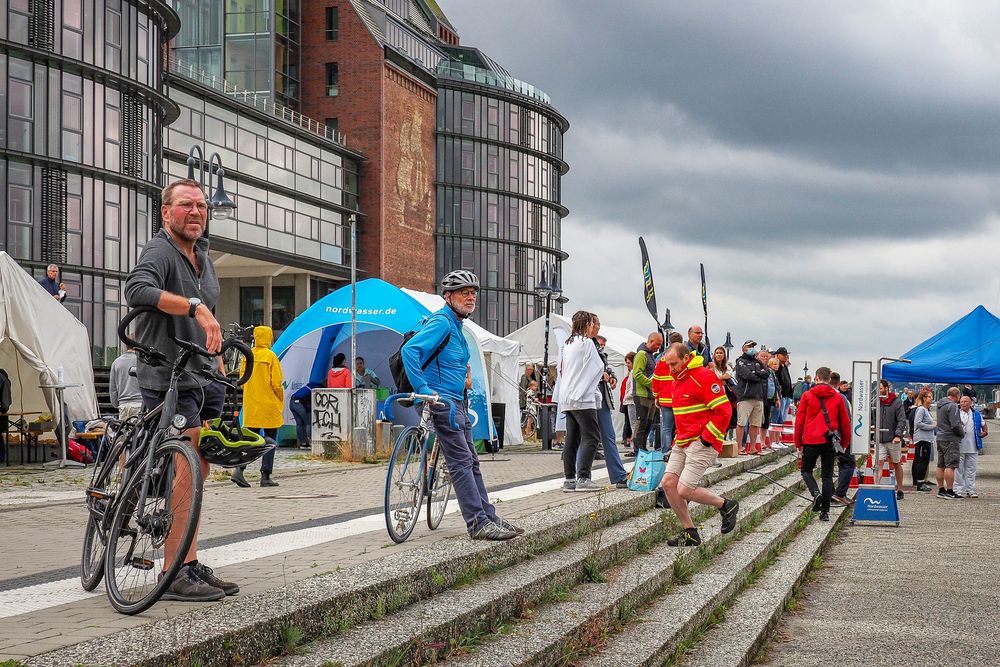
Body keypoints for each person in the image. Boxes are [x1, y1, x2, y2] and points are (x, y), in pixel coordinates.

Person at [124, 178, 236, 602]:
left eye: (202, 206)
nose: (196, 212)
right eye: (186, 204)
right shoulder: (160, 250)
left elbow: (209, 316)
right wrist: (193, 307)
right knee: (186, 464)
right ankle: (172, 573)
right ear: (166, 212)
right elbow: (137, 290)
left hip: (203, 373)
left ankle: (187, 559)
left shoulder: (202, 256)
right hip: (167, 372)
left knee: (201, 465)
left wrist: (219, 352)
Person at [401, 269, 521, 540]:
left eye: (473, 293)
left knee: (472, 462)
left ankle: (488, 515)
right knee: (461, 461)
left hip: (457, 400)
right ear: (448, 296)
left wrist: (465, 378)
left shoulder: (457, 326)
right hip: (440, 401)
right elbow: (411, 351)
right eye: (464, 293)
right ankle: (477, 523)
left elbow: (456, 361)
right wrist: (424, 389)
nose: (471, 298)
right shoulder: (442, 322)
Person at [658, 343, 737, 546]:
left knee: (684, 489)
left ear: (686, 358)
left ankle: (726, 505)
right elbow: (683, 415)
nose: (671, 369)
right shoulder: (677, 379)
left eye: (674, 364)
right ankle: (689, 532)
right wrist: (677, 439)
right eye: (668, 365)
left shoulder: (704, 376)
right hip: (683, 440)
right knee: (668, 484)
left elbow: (724, 411)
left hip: (702, 440)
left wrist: (707, 438)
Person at [556, 311, 606, 492]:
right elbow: (597, 367)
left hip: (567, 396)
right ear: (587, 324)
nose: (594, 327)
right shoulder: (586, 343)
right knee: (592, 436)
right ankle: (583, 477)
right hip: (582, 396)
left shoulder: (568, 343)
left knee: (572, 438)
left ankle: (569, 479)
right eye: (593, 324)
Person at [794, 367, 850, 521]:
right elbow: (845, 422)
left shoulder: (807, 395)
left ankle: (815, 493)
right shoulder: (838, 397)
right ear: (829, 378)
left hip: (811, 439)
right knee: (827, 476)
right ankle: (825, 512)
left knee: (806, 470)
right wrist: (844, 442)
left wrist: (798, 442)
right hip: (829, 440)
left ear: (817, 377)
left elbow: (799, 421)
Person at [231, 326, 283, 488]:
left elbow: (242, 379)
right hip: (268, 404)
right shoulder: (271, 357)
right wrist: (280, 398)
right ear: (268, 338)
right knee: (270, 440)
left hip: (252, 403)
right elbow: (276, 383)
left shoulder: (247, 355)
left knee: (250, 440)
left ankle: (239, 470)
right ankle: (265, 476)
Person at [586, 333, 628, 487]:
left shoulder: (598, 352)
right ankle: (580, 476)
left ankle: (618, 475)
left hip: (600, 397)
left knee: (606, 437)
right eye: (601, 343)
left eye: (604, 344)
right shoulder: (585, 347)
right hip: (589, 397)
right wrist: (600, 375)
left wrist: (611, 375)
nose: (602, 346)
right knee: (588, 438)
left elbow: (606, 368)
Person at [631, 331, 664, 455]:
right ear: (650, 342)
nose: (659, 347)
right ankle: (638, 449)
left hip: (650, 395)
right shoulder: (641, 354)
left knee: (648, 423)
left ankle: (643, 448)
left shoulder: (650, 355)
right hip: (641, 394)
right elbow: (637, 374)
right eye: (657, 344)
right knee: (642, 422)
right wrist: (652, 384)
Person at [734, 339, 768, 455]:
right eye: (749, 346)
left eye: (753, 346)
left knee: (756, 424)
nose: (752, 348)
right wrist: (758, 375)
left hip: (758, 397)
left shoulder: (758, 362)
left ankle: (753, 447)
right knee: (741, 423)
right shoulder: (740, 361)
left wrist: (756, 374)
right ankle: (739, 447)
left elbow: (766, 373)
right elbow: (747, 375)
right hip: (745, 396)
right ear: (743, 348)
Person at [828, 371, 856, 506]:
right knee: (848, 463)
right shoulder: (841, 398)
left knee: (827, 467)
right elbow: (846, 420)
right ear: (839, 384)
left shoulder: (816, 395)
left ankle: (831, 493)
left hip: (822, 436)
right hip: (838, 437)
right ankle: (839, 493)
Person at [876, 379, 907, 500]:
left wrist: (898, 435)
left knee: (896, 463)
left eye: (880, 388)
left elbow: (901, 420)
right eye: (877, 389)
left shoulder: (896, 402)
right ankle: (876, 487)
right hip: (880, 439)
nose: (879, 391)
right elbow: (873, 417)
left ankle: (900, 489)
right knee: (878, 464)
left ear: (886, 389)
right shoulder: (876, 402)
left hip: (893, 438)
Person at [954, 396, 987, 498]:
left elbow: (983, 424)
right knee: (958, 470)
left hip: (973, 446)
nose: (963, 403)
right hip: (959, 446)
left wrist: (985, 431)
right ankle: (957, 490)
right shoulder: (956, 413)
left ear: (970, 403)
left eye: (965, 402)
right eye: (962, 401)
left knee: (971, 469)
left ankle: (971, 490)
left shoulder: (976, 414)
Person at [934, 387, 964, 500]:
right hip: (951, 438)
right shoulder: (953, 406)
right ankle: (950, 490)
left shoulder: (940, 405)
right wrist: (962, 434)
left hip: (940, 437)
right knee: (950, 465)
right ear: (957, 395)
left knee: (940, 465)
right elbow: (955, 424)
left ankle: (941, 490)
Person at [911, 388, 935, 492]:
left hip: (927, 439)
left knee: (925, 461)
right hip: (921, 439)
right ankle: (919, 483)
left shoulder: (927, 410)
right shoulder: (921, 409)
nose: (931, 399)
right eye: (929, 396)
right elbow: (918, 423)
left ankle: (921, 481)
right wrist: (932, 426)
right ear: (924, 398)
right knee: (922, 460)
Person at [108, 347, 143, 421]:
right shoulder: (141, 361)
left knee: (124, 431)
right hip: (139, 404)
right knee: (138, 431)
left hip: (123, 406)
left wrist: (116, 404)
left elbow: (113, 388)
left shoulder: (116, 362)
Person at [289, 383, 313, 449]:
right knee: (308, 423)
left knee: (299, 424)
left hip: (292, 402)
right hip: (300, 404)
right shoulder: (316, 388)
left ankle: (303, 443)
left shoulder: (308, 387)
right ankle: (312, 442)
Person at [620, 351, 636, 453]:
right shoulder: (631, 372)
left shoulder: (633, 372)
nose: (627, 365)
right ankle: (634, 446)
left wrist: (626, 397)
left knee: (633, 425)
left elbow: (631, 388)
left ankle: (634, 448)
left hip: (631, 401)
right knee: (632, 425)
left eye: (629, 363)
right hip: (629, 401)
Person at [774, 347, 793, 423]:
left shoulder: (785, 366)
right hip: (781, 395)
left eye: (786, 355)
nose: (786, 356)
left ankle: (780, 434)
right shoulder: (777, 366)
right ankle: (777, 434)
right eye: (783, 354)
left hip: (787, 396)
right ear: (777, 355)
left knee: (783, 419)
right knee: (779, 418)